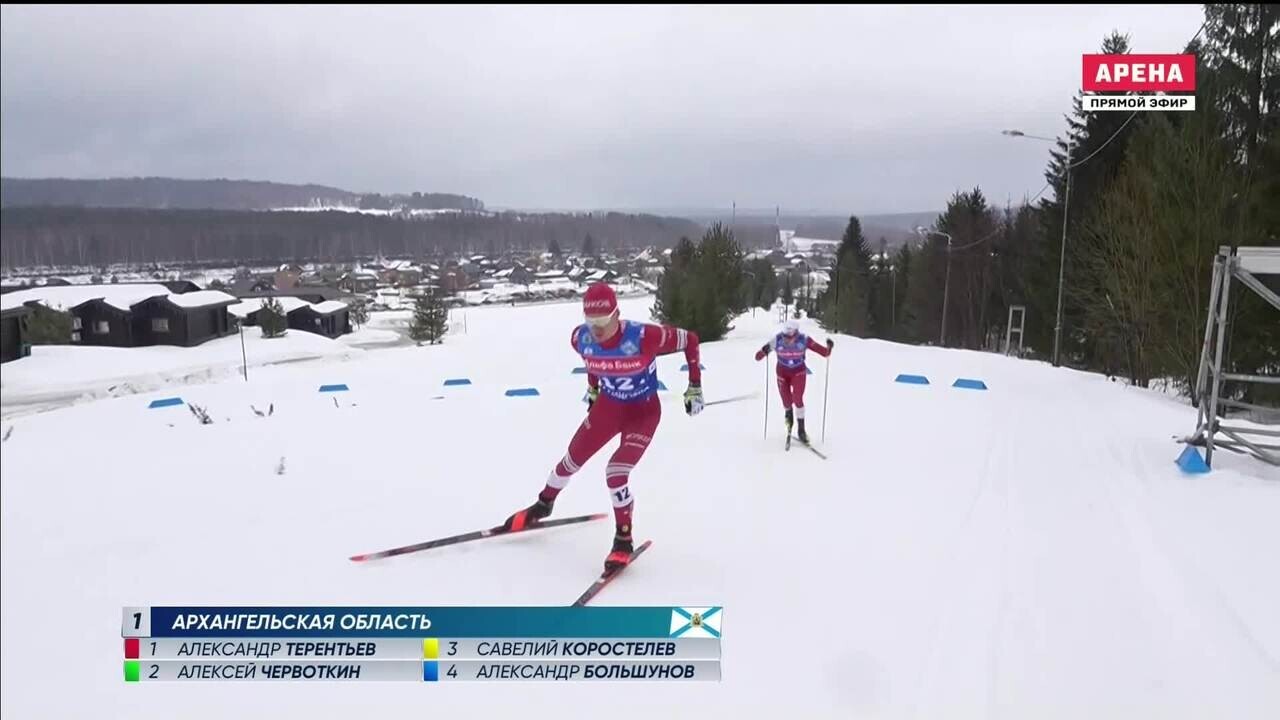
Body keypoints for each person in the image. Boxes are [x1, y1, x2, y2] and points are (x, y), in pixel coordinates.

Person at [503, 283, 704, 572]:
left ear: (616, 314)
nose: (596, 329)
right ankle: (543, 505)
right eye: (590, 321)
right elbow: (593, 362)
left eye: (602, 321)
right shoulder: (579, 338)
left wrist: (694, 386)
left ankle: (623, 538)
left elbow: (693, 340)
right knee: (569, 462)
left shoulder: (646, 336)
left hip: (643, 413)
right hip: (609, 407)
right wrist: (593, 389)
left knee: (615, 472)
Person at [755, 318, 832, 444]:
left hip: (798, 372)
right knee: (786, 401)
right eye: (785, 335)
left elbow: (824, 353)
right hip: (782, 373)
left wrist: (829, 347)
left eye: (790, 336)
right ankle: (789, 425)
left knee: (797, 399)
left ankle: (801, 430)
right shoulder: (777, 339)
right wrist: (763, 351)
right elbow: (759, 356)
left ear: (796, 333)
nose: (787, 339)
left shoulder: (804, 339)